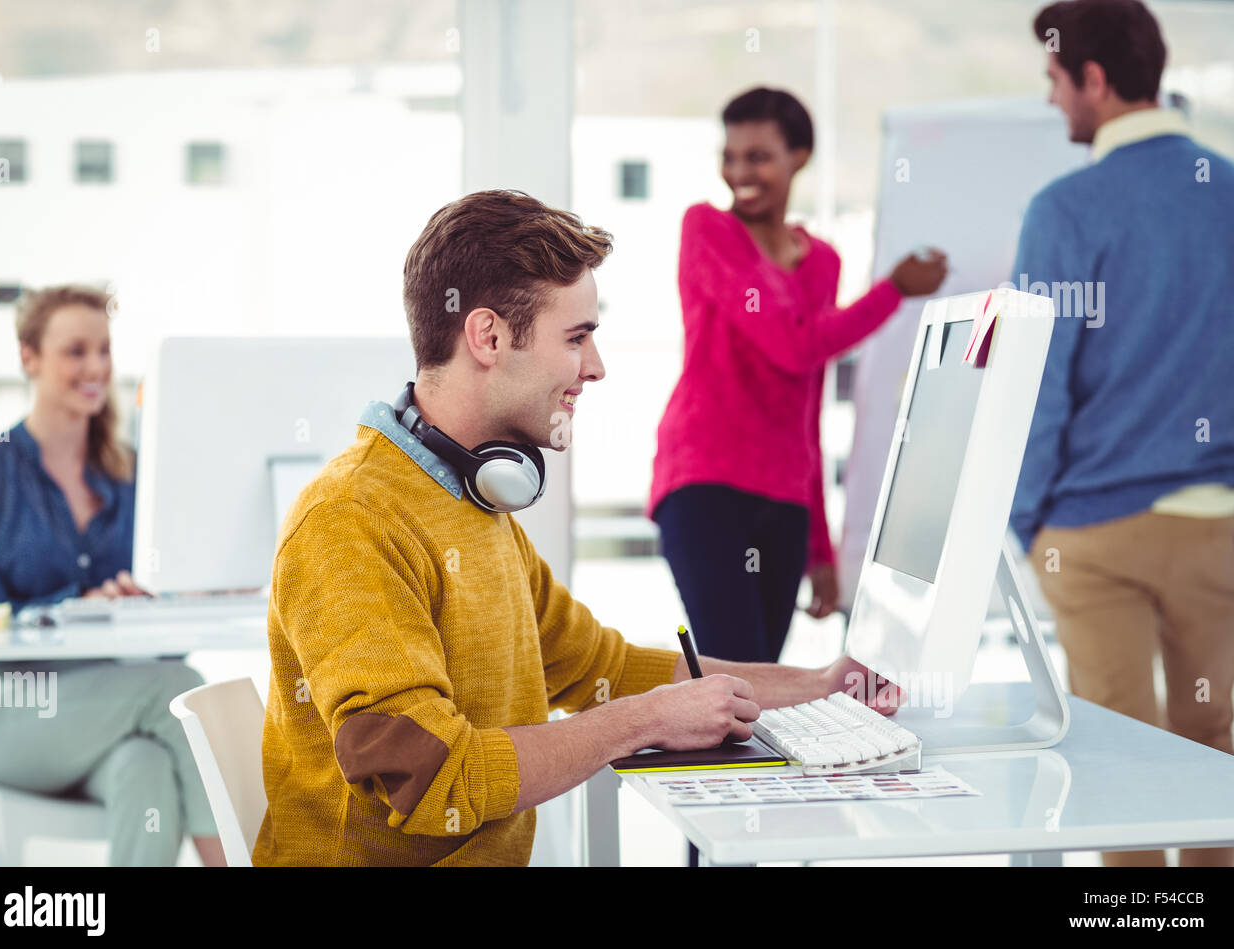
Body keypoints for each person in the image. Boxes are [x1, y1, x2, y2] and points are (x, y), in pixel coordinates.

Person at [251, 189, 902, 867]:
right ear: (488, 337)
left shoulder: (473, 505)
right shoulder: (350, 520)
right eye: (576, 337)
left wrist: (821, 684)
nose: (595, 366)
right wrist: (646, 720)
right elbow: (428, 778)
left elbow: (603, 670)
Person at [1010, 0, 1234, 867]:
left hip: (1092, 534)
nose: (1051, 98)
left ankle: (1139, 924)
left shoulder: (1064, 209)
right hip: (1212, 520)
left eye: (1054, 78)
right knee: (1208, 742)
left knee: (1119, 765)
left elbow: (1038, 385)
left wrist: (1026, 522)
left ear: (1095, 79)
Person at [647, 86, 948, 664]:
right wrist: (892, 292)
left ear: (799, 157)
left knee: (764, 678)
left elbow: (804, 395)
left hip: (785, 496)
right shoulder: (708, 230)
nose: (740, 172)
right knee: (740, 673)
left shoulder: (822, 261)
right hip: (705, 481)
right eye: (730, 156)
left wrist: (821, 547)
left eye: (758, 157)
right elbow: (790, 344)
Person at [0, 284, 225, 867]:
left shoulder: (133, 480)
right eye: (75, 351)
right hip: (6, 714)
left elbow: (162, 641)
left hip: (115, 711)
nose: (96, 367)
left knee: (146, 769)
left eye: (103, 350)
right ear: (29, 357)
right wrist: (76, 607)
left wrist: (175, 598)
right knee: (178, 688)